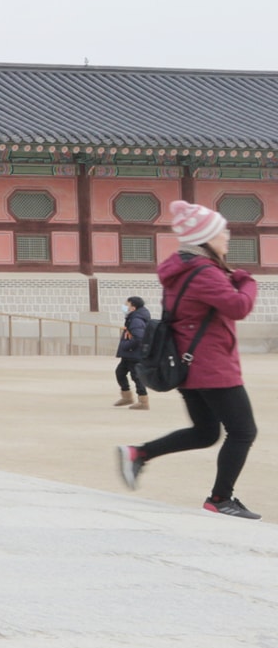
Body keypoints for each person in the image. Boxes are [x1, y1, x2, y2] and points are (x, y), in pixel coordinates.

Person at [117, 202, 260, 518]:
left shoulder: (183, 271)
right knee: (243, 431)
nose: (227, 237)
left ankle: (138, 453)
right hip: (212, 366)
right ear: (206, 238)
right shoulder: (204, 273)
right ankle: (220, 499)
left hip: (188, 364)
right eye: (222, 232)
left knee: (206, 432)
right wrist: (247, 281)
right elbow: (238, 307)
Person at [114, 295, 151, 410]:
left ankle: (143, 401)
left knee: (136, 376)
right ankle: (127, 397)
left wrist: (126, 346)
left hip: (134, 354)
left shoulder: (136, 320)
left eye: (127, 305)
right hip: (129, 354)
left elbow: (139, 337)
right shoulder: (133, 317)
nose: (125, 307)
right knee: (120, 372)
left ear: (133, 308)